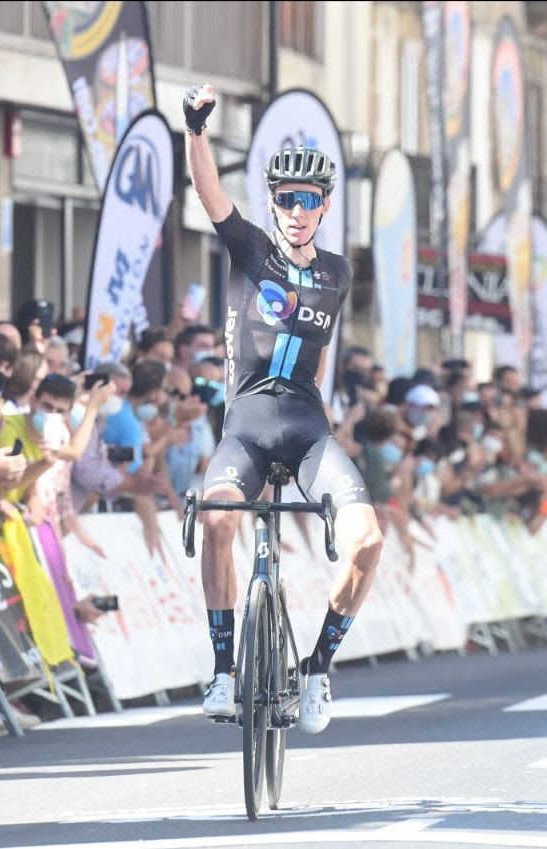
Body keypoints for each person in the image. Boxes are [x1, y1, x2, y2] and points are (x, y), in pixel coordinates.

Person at [184, 82, 384, 733]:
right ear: (272, 202)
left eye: (309, 201)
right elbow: (209, 190)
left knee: (368, 540)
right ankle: (223, 668)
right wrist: (195, 129)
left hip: (305, 431)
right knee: (217, 523)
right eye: (286, 199)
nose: (297, 210)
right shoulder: (249, 248)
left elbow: (319, 354)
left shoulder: (336, 272)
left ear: (324, 207)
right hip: (245, 428)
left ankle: (318, 667)